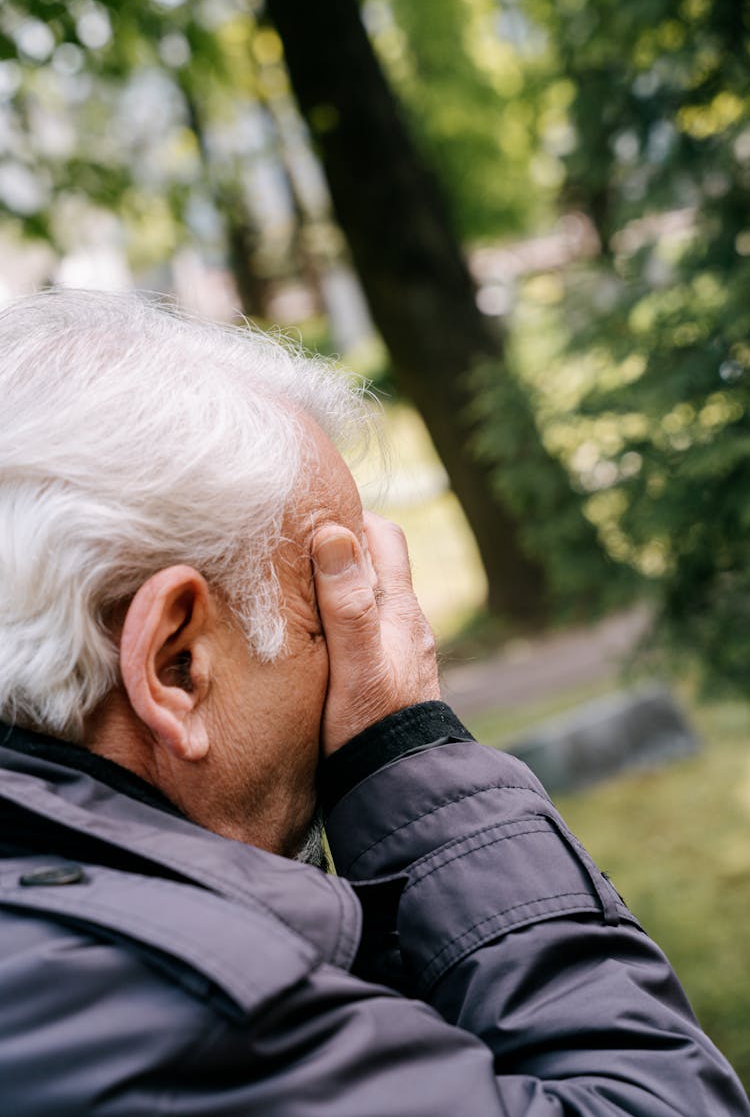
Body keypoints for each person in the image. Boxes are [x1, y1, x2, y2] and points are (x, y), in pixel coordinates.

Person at [0, 289, 746, 1117]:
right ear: (176, 667)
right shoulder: (191, 1019)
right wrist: (409, 751)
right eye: (335, 613)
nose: (384, 647)